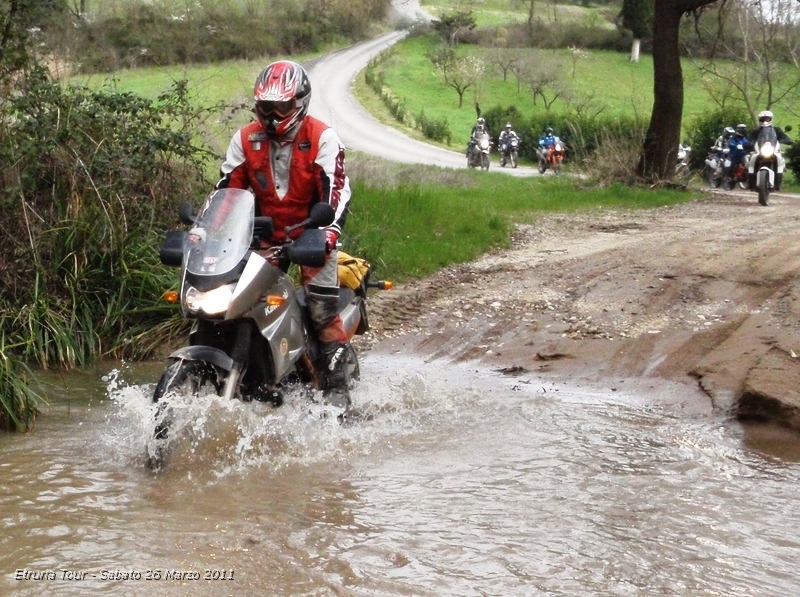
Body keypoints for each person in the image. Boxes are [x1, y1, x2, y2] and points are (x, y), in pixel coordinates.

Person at [215, 60, 353, 412]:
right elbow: (225, 191)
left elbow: (334, 193)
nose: (273, 115)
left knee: (322, 311)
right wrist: (206, 232)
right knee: (234, 304)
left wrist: (326, 234)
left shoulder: (322, 137)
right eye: (266, 107)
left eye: (282, 106)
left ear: (300, 102)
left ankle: (338, 393)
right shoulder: (245, 139)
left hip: (311, 232)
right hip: (264, 236)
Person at [747, 110, 794, 191]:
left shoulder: (776, 130)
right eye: (763, 119)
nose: (765, 121)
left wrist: (785, 140)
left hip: (773, 150)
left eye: (767, 119)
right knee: (751, 159)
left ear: (771, 119)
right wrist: (749, 143)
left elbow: (785, 138)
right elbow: (750, 139)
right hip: (760, 151)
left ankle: (778, 182)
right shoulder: (756, 131)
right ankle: (751, 183)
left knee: (780, 158)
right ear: (760, 120)